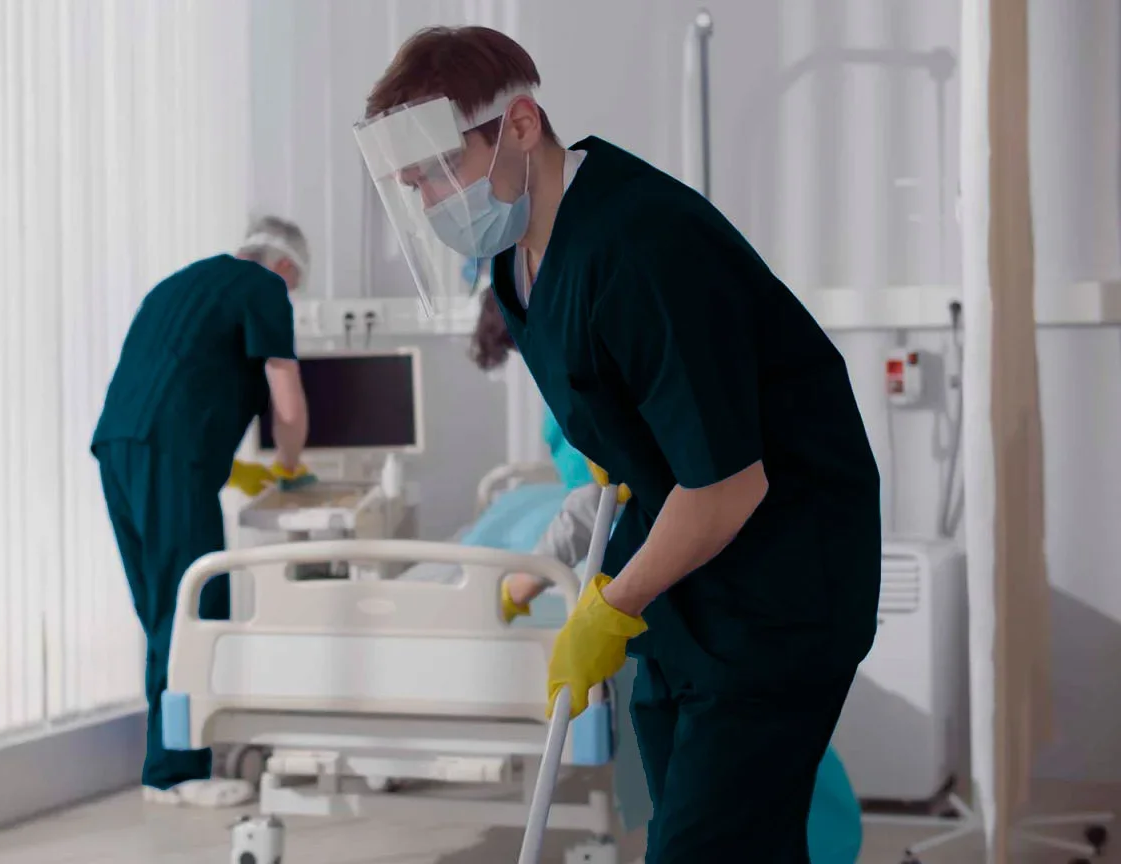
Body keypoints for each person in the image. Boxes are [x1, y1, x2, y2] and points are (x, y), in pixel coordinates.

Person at [356, 28, 881, 861]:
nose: (431, 202)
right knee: (702, 834)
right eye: (415, 182)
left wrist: (611, 605)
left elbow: (727, 486)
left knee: (708, 845)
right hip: (692, 582)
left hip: (779, 577)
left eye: (442, 168)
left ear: (521, 125)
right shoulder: (517, 258)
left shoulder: (644, 247)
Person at [91, 216, 313, 808]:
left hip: (119, 448)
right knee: (195, 606)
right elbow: (286, 401)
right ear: (287, 269)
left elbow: (180, 377)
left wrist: (232, 469)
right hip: (173, 456)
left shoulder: (177, 284)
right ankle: (177, 772)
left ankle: (169, 763)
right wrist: (292, 469)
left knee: (165, 611)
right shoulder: (264, 287)